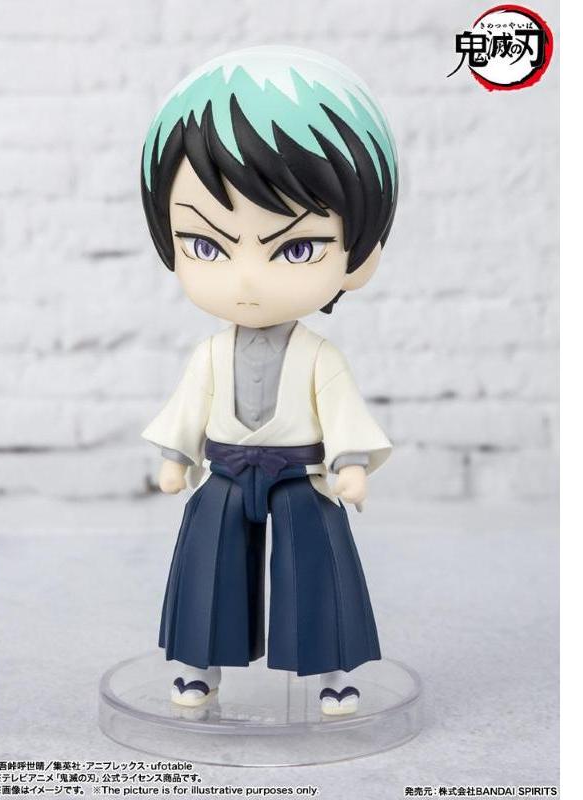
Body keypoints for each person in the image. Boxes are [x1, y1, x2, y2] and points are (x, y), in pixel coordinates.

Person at [140, 46, 399, 716]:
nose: (248, 279)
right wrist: (175, 456)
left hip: (298, 476)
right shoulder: (210, 353)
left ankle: (333, 672)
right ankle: (198, 668)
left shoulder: (319, 356)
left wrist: (349, 464)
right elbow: (188, 409)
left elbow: (342, 415)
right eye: (207, 245)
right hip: (226, 471)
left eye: (296, 247)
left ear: (359, 257)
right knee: (208, 565)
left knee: (317, 569)